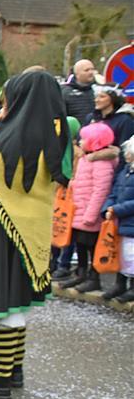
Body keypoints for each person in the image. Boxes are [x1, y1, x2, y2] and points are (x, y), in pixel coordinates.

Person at [0, 70, 68, 399]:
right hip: (31, 234)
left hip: (5, 233)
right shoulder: (56, 132)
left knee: (4, 308)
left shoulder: (10, 136)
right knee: (18, 303)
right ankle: (12, 370)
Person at [59, 121, 117, 293]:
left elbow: (101, 191)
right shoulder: (85, 158)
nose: (80, 142)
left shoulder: (102, 164)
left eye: (84, 139)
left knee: (91, 246)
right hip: (78, 210)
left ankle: (94, 277)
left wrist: (91, 215)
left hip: (89, 213)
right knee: (80, 245)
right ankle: (81, 273)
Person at [102, 136, 134, 302]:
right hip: (120, 220)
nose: (126, 154)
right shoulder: (125, 172)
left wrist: (116, 209)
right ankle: (120, 283)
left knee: (132, 256)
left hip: (129, 221)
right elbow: (114, 192)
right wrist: (107, 207)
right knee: (121, 254)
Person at [61, 59, 97, 125]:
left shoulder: (98, 90)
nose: (91, 72)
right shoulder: (65, 92)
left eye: (92, 69)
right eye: (87, 70)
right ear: (77, 73)